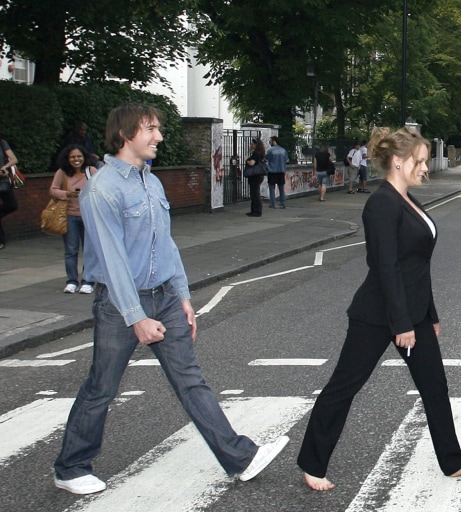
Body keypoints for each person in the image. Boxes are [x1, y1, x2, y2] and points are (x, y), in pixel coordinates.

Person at [52, 103, 288, 496]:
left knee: (191, 381)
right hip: (120, 306)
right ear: (127, 134)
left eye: (157, 128)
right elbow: (111, 262)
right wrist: (136, 318)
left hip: (163, 296)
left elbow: (166, 245)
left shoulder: (151, 181)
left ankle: (239, 458)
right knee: (102, 387)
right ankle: (71, 466)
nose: (159, 136)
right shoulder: (102, 189)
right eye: (151, 129)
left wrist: (182, 295)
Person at [297, 126, 461, 491]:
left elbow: (417, 266)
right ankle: (312, 462)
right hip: (377, 314)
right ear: (398, 162)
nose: (425, 168)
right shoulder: (382, 203)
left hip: (412, 312)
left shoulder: (408, 201)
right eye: (419, 161)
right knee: (345, 385)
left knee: (435, 385)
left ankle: (453, 460)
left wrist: (429, 315)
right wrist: (402, 323)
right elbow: (386, 267)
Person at [51, 144, 99, 294]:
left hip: (88, 217)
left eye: (79, 156)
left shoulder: (91, 171)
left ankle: (87, 281)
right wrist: (67, 194)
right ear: (67, 159)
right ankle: (71, 281)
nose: (76, 159)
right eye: (72, 157)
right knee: (71, 250)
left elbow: (101, 189)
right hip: (70, 215)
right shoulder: (63, 172)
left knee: (89, 251)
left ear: (84, 157)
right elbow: (53, 190)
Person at [0, 133, 18, 250]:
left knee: (12, 205)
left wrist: (5, 167)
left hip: (3, 181)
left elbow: (14, 159)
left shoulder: (2, 142)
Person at [244, 139, 266, 217]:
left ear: (256, 145)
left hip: (255, 176)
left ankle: (256, 211)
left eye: (252, 144)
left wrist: (247, 159)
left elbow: (252, 163)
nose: (251, 145)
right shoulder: (261, 153)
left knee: (255, 194)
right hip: (259, 175)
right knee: (255, 193)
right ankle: (254, 210)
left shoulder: (256, 153)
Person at [266, 136, 288, 209]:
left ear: (274, 141)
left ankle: (273, 203)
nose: (270, 142)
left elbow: (266, 159)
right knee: (281, 188)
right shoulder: (283, 150)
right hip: (281, 171)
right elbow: (286, 160)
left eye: (271, 141)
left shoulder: (270, 150)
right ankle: (283, 203)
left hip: (272, 171)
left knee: (272, 188)